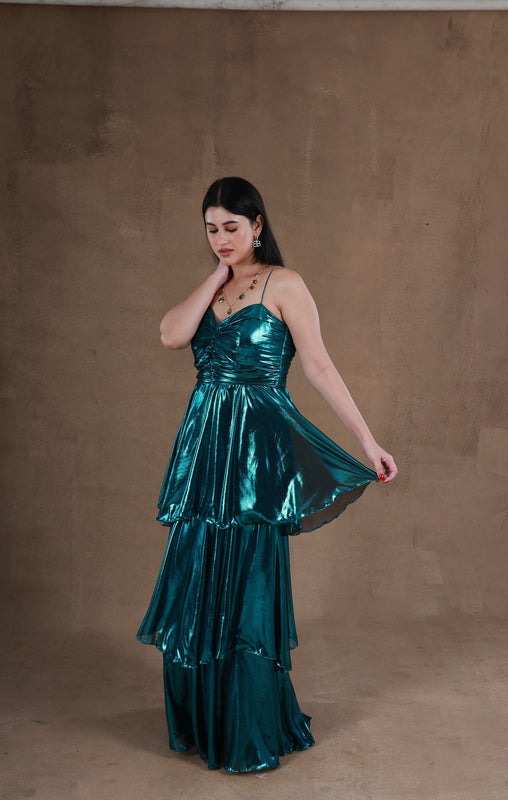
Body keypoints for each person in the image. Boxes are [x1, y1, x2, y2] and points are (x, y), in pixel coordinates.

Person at [137, 177, 398, 773]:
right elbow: (172, 335)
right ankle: (204, 719)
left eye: (232, 227)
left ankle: (246, 726)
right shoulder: (214, 285)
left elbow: (319, 366)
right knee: (195, 575)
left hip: (256, 455)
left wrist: (368, 441)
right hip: (205, 452)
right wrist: (217, 273)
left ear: (257, 225)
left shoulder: (285, 283)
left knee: (248, 582)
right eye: (211, 229)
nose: (221, 238)